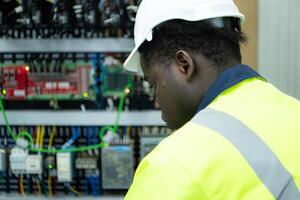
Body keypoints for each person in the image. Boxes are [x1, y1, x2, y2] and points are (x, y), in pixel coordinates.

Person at [123, 0, 300, 199]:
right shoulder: (294, 111)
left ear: (184, 65)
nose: (156, 102)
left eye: (154, 84)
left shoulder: (173, 165)